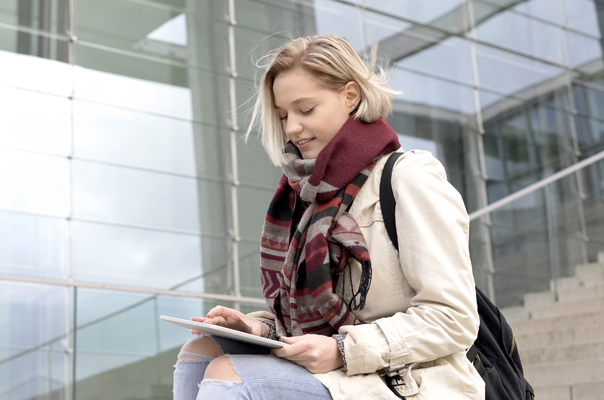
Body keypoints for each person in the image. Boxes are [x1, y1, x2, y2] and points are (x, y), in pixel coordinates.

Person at [172, 34, 484, 400]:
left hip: (406, 380)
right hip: (340, 372)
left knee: (229, 374)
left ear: (350, 96)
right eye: (283, 114)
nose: (290, 128)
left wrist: (343, 349)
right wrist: (261, 330)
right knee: (202, 349)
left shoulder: (408, 177)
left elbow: (454, 319)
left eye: (305, 110)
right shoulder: (304, 193)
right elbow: (316, 322)